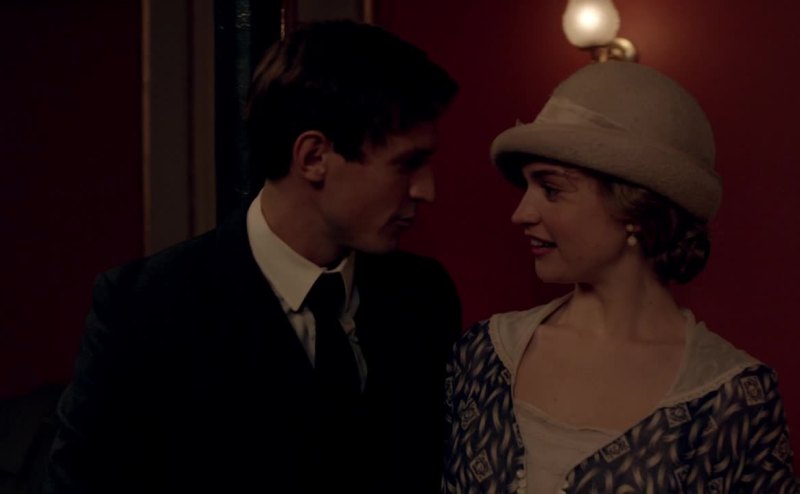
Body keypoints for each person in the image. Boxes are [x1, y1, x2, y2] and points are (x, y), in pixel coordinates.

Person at [43, 20, 461, 494]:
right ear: (313, 157)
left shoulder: (423, 296)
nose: (427, 190)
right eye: (407, 164)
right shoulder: (145, 308)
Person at [442, 61, 799, 493]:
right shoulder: (484, 355)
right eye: (526, 187)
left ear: (634, 207)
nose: (521, 213)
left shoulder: (733, 396)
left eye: (551, 189)